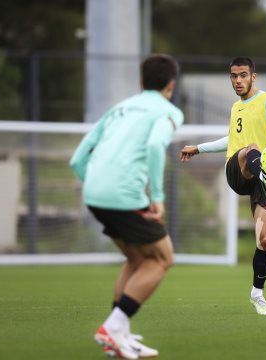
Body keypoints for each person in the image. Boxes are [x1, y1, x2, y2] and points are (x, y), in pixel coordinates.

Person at [70, 54, 184, 359]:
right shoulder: (169, 111)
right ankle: (113, 326)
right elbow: (154, 146)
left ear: (141, 82)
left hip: (94, 193)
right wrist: (157, 196)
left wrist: (97, 186)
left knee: (135, 258)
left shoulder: (118, 109)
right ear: (171, 84)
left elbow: (77, 159)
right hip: (124, 196)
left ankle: (119, 335)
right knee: (162, 259)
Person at [180, 56, 266, 315]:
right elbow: (234, 142)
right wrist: (199, 149)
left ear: (253, 76)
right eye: (233, 76)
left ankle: (257, 293)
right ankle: (263, 172)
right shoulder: (236, 108)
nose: (237, 81)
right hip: (238, 170)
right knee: (251, 149)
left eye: (243, 75)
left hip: (265, 182)